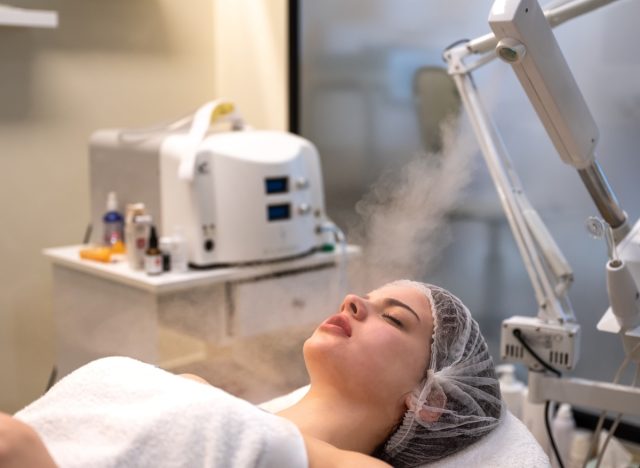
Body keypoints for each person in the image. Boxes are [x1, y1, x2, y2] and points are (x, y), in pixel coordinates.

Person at [1, 280, 503, 467]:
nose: (352, 300)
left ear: (428, 400)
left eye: (394, 319)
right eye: (365, 299)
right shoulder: (198, 392)